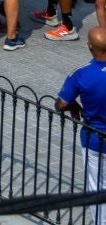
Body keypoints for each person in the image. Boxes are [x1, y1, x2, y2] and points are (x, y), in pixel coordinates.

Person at [55, 26, 106, 219]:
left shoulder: (81, 74)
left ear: (90, 46)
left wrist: (74, 106)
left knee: (96, 188)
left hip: (94, 139)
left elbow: (60, 104)